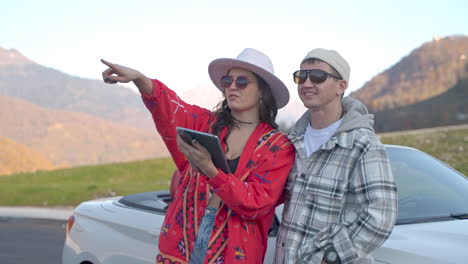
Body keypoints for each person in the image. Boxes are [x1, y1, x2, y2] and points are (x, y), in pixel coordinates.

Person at [101, 48, 295, 264]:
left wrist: (211, 170)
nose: (231, 86)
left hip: (233, 252)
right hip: (183, 245)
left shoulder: (278, 147)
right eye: (227, 80)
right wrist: (140, 79)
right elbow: (170, 109)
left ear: (262, 91)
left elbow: (257, 203)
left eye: (241, 81)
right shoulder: (206, 124)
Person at [274, 49, 398, 264]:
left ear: (341, 86)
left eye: (318, 76)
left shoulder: (362, 143)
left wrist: (332, 257)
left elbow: (381, 215)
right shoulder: (292, 141)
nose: (307, 83)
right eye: (301, 76)